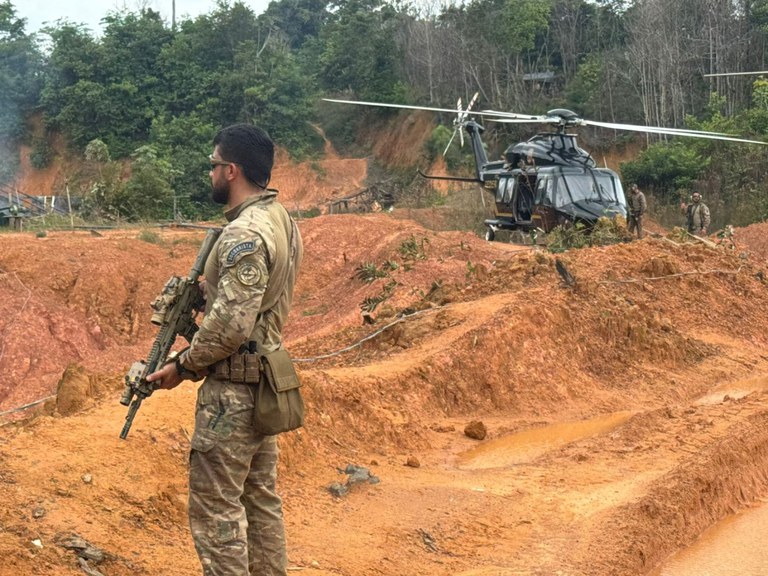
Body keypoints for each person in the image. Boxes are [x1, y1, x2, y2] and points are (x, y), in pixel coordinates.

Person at [147, 124, 303, 576]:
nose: (211, 174)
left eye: (214, 165)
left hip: (232, 394)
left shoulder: (243, 234)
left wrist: (184, 364)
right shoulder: (282, 221)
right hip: (265, 384)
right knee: (261, 504)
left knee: (218, 514)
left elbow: (230, 326)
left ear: (231, 170)